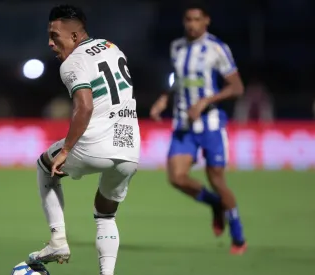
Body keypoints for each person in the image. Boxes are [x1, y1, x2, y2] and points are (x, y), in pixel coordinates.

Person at [28, 5, 140, 275]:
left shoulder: (72, 63)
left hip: (94, 142)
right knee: (106, 214)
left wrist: (66, 149)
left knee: (46, 166)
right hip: (129, 148)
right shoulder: (112, 47)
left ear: (75, 36)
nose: (50, 43)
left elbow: (85, 106)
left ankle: (57, 241)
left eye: (55, 36)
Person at [149, 2, 247, 254]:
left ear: (206, 21)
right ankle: (216, 205)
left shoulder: (217, 48)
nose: (192, 24)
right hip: (183, 124)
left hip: (211, 125)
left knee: (216, 179)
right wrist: (164, 98)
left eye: (196, 19)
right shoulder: (177, 47)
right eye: (188, 19)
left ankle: (238, 236)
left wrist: (205, 101)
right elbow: (177, 79)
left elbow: (236, 87)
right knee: (176, 178)